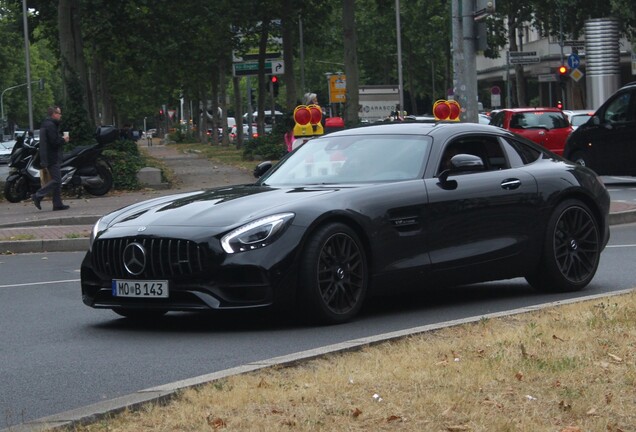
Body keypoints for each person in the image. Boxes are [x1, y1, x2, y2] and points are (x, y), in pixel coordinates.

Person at [32, 106, 70, 211]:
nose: (60, 115)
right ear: (54, 114)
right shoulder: (51, 125)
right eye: (59, 113)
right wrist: (63, 139)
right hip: (51, 157)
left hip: (48, 156)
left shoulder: (47, 124)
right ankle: (38, 195)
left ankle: (57, 204)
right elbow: (54, 142)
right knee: (57, 180)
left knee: (57, 180)